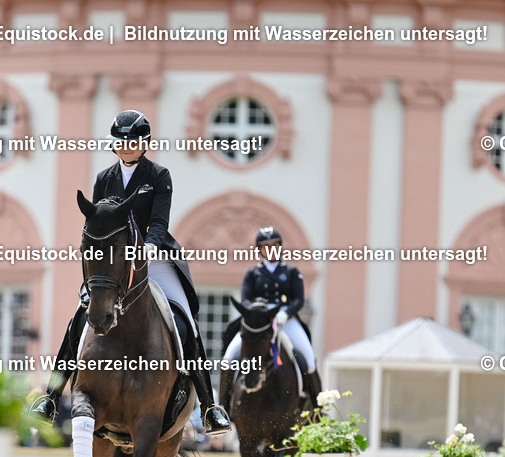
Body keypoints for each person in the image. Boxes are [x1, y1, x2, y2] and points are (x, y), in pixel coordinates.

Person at [31, 110, 231, 435]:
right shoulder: (104, 178)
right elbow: (98, 221)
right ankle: (51, 397)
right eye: (120, 141)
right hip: (114, 261)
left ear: (144, 142)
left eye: (133, 141)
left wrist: (149, 246)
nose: (126, 146)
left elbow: (160, 222)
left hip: (155, 257)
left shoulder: (159, 176)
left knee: (185, 322)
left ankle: (209, 407)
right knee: (79, 317)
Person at [219, 226, 320, 410]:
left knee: (309, 358)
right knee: (228, 358)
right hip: (259, 323)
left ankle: (317, 408)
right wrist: (257, 312)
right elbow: (245, 299)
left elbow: (299, 299)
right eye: (266, 246)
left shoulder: (291, 271)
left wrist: (285, 313)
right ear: (260, 249)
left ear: (280, 247)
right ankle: (222, 408)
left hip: (285, 319)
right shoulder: (252, 273)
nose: (270, 249)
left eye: (274, 245)